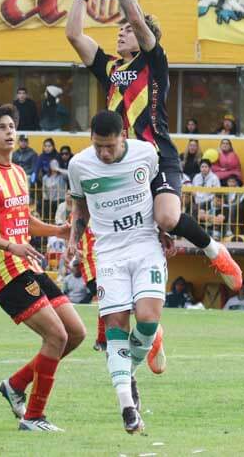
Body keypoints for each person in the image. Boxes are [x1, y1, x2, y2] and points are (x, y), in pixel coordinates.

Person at [66, 0, 242, 292]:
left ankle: (214, 250)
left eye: (127, 30)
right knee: (125, 242)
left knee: (167, 218)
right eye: (120, 29)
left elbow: (135, 16)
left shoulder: (154, 60)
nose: (121, 30)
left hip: (158, 156)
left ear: (145, 36)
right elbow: (73, 34)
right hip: (120, 163)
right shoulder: (110, 68)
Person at [0, 105, 84, 432]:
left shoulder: (16, 172)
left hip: (28, 266)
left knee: (75, 334)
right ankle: (33, 417)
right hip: (5, 272)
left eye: (12, 126)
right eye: (1, 127)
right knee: (56, 335)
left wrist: (55, 230)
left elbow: (22, 221)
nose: (10, 132)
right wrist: (9, 245)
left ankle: (15, 385)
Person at [66, 110, 169, 434]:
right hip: (108, 252)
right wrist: (72, 240)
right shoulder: (79, 166)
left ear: (123, 136)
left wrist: (167, 226)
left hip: (145, 245)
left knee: (149, 320)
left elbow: (161, 193)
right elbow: (80, 208)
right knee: (116, 325)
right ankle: (126, 404)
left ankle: (130, 369)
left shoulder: (146, 154)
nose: (104, 153)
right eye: (98, 147)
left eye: (109, 146)